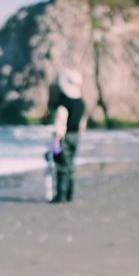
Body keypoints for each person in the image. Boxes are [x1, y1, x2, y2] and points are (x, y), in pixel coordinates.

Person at [48, 69, 87, 202]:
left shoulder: (63, 104)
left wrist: (56, 143)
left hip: (64, 138)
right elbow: (82, 123)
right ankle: (69, 194)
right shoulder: (81, 103)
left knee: (61, 166)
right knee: (70, 166)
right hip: (76, 137)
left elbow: (60, 125)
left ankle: (61, 196)